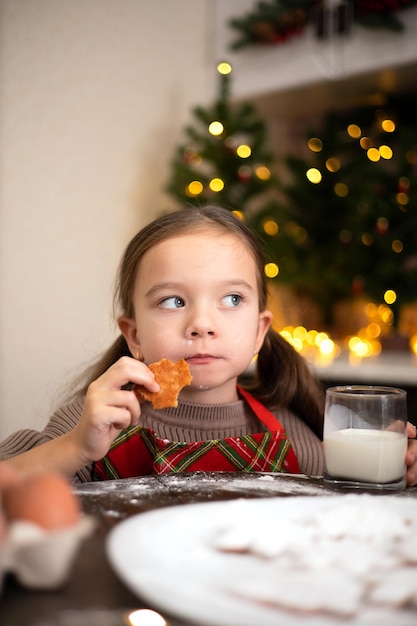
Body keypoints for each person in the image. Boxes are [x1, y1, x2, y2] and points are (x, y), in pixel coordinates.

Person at [1, 206, 416, 484]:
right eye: (173, 301)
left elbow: (346, 521)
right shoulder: (96, 420)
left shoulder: (291, 433)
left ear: (259, 331)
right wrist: (75, 447)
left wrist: (389, 470)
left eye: (231, 300)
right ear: (135, 336)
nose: (202, 324)